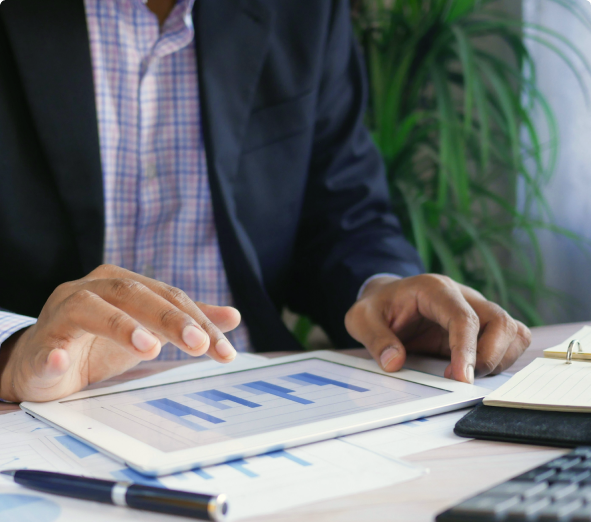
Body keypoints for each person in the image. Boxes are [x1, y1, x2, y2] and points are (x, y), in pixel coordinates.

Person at [0, 0, 531, 403]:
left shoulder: (302, 10)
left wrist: (385, 287)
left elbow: (343, 212)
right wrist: (13, 351)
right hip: (39, 404)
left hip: (253, 390)